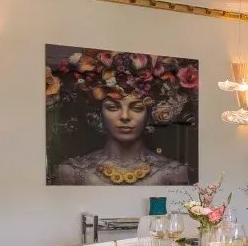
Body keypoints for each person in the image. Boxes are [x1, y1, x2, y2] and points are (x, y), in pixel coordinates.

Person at [47, 49, 196, 186]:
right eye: (113, 107)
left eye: (137, 108)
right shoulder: (71, 172)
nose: (125, 117)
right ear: (98, 112)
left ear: (150, 113)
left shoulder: (173, 172)